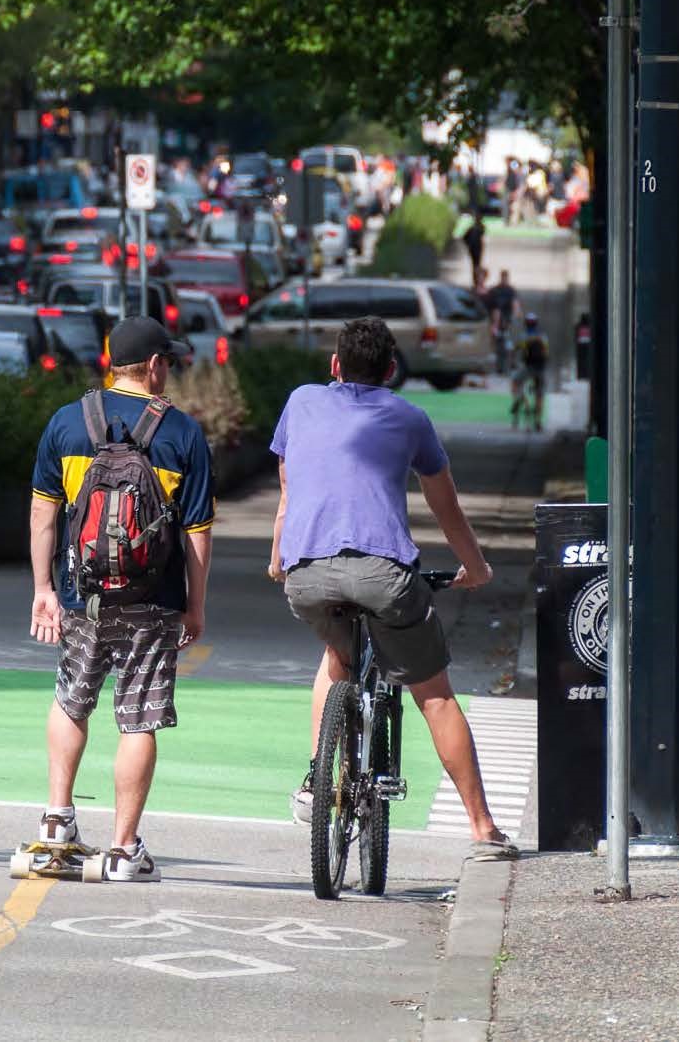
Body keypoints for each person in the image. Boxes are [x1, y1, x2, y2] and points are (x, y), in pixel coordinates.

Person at [267, 316, 518, 861]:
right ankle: (482, 828)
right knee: (436, 694)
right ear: (391, 370)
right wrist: (475, 569)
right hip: (384, 576)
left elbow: (290, 490)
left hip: (308, 575)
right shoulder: (409, 417)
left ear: (334, 366)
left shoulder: (302, 401)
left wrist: (278, 560)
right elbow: (444, 507)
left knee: (337, 652)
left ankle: (316, 781)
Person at [28, 315, 215, 881]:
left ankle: (58, 820)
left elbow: (44, 513)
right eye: (170, 363)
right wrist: (195, 605)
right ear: (154, 366)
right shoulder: (182, 434)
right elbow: (197, 533)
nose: (171, 373)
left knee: (70, 699)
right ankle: (123, 848)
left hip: (82, 594)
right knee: (137, 720)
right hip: (151, 600)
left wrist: (43, 590)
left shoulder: (66, 423)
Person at [510, 312, 549, 431]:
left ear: (526, 324)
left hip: (528, 367)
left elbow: (515, 349)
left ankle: (522, 401)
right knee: (540, 394)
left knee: (516, 381)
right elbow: (546, 352)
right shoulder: (543, 336)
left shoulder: (523, 336)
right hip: (541, 368)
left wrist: (512, 360)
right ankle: (538, 421)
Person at [486, 268, 521, 375]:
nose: (504, 280)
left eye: (506, 278)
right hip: (496, 319)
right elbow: (490, 304)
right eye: (503, 278)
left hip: (507, 320)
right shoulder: (494, 290)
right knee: (498, 343)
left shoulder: (511, 291)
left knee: (508, 343)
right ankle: (499, 365)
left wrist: (515, 315)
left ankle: (511, 363)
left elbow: (515, 304)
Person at [462, 214, 486, 286]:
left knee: (475, 266)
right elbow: (464, 237)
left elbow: (464, 237)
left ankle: (477, 280)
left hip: (475, 249)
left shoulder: (474, 228)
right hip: (475, 249)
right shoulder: (477, 228)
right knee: (476, 266)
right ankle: (476, 280)